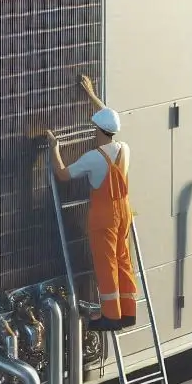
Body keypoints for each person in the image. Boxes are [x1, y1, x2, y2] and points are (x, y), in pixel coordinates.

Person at [46, 73, 137, 332]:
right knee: (123, 260)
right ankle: (127, 311)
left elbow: (63, 174)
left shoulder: (93, 158)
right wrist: (92, 95)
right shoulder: (124, 149)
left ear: (97, 130)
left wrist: (54, 148)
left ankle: (110, 315)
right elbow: (109, 118)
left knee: (106, 264)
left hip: (104, 217)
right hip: (124, 212)